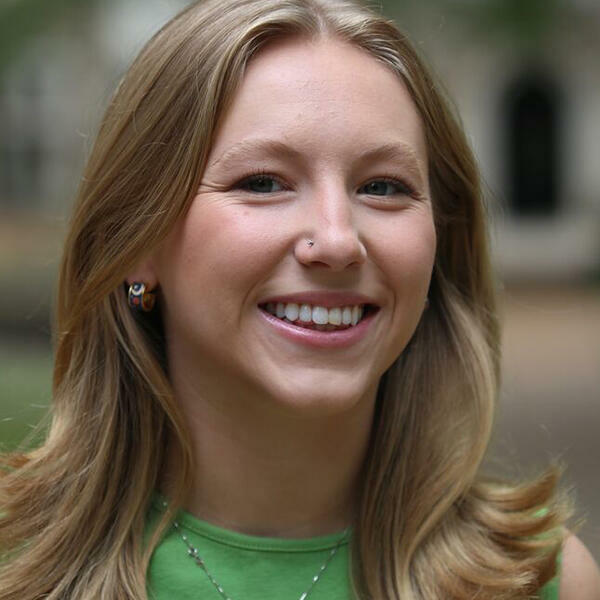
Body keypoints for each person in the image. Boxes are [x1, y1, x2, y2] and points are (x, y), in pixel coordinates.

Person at [1, 0, 599, 598]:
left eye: (384, 187)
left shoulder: (542, 581)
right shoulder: (15, 565)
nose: (338, 240)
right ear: (137, 240)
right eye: (263, 182)